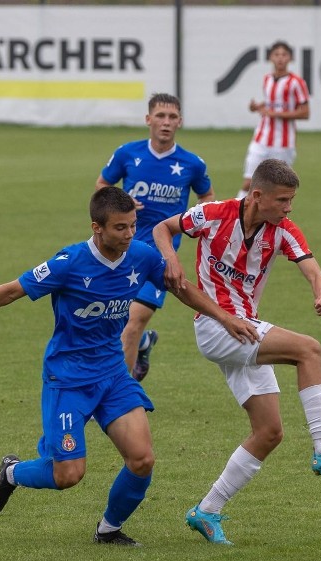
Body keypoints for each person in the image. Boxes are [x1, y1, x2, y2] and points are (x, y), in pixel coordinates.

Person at [0, 187, 258, 546]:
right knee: (68, 474)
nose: (130, 234)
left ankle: (109, 530)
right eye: (120, 228)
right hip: (67, 378)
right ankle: (12, 472)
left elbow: (181, 287)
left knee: (142, 459)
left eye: (133, 225)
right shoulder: (68, 262)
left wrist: (225, 319)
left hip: (113, 374)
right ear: (97, 228)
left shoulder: (141, 255)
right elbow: (11, 291)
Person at [153, 159, 321, 546]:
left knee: (269, 432)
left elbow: (314, 270)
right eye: (283, 200)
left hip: (244, 329)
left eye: (291, 200)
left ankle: (206, 511)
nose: (289, 208)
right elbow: (162, 227)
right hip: (215, 327)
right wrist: (171, 256)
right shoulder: (213, 214)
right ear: (257, 196)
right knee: (309, 350)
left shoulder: (283, 231)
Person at [95, 93, 215, 381]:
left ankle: (118, 395)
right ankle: (143, 345)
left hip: (160, 257)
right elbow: (102, 186)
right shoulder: (128, 154)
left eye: (172, 117)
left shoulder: (192, 164)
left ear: (180, 122)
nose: (166, 122)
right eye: (160, 116)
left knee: (133, 322)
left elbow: (207, 197)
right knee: (112, 320)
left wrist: (198, 224)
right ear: (148, 119)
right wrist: (119, 200)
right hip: (121, 251)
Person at [236, 40, 310, 199]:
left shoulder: (296, 83)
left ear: (290, 58)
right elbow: (271, 102)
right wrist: (256, 107)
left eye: (284, 55)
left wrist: (276, 113)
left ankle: (274, 220)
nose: (280, 58)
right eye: (277, 54)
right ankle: (236, 215)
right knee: (249, 181)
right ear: (271, 57)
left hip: (283, 142)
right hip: (261, 138)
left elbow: (305, 112)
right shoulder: (267, 79)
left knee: (279, 186)